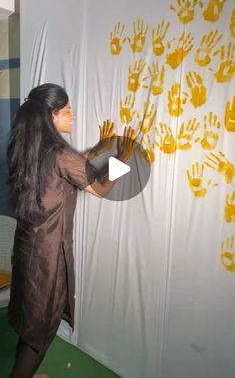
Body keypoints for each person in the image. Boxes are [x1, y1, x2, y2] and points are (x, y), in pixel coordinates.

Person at [6, 83, 137, 378]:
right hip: (47, 258)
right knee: (41, 330)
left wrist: (99, 149)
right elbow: (99, 187)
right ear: (51, 116)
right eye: (67, 110)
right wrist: (121, 160)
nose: (72, 115)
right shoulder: (59, 152)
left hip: (27, 250)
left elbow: (68, 170)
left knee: (31, 325)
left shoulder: (26, 146)